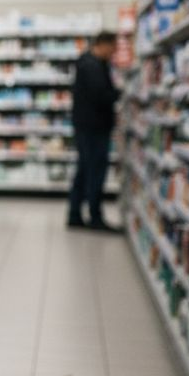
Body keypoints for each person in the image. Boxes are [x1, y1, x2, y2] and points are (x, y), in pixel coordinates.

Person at [68, 31, 120, 231]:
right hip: (92, 128)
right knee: (94, 172)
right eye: (112, 48)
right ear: (103, 44)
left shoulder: (93, 63)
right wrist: (117, 93)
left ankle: (75, 215)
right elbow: (101, 96)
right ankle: (94, 216)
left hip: (89, 127)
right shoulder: (91, 66)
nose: (113, 53)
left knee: (84, 169)